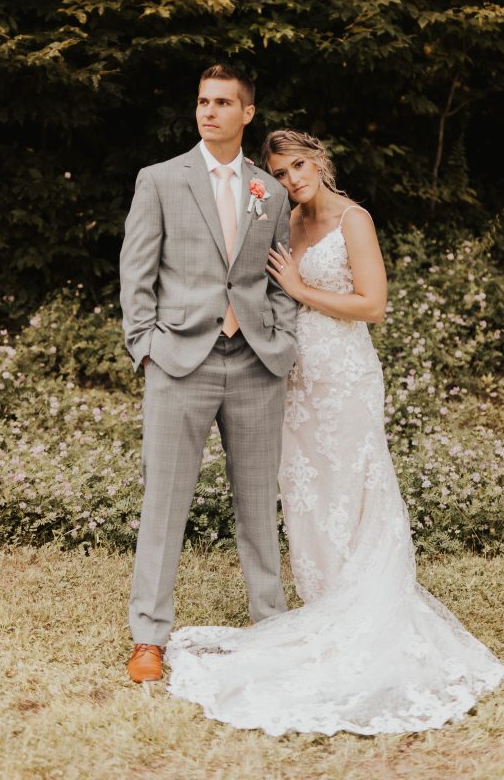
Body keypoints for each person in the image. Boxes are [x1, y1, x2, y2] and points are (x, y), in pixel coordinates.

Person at [165, 130, 504, 736]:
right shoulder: (283, 220)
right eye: (280, 171)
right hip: (293, 379)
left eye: (298, 165)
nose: (293, 178)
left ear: (319, 161)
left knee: (352, 488)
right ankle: (325, 609)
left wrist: (301, 288)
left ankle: (362, 613)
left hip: (345, 375)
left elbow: (372, 304)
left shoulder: (355, 219)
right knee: (304, 492)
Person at [119, 66, 297, 683]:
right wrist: (144, 347)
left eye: (223, 102)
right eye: (202, 101)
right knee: (164, 501)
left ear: (247, 113)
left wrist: (283, 342)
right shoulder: (161, 180)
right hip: (178, 361)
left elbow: (279, 279)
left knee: (257, 501)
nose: (209, 111)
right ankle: (148, 637)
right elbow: (136, 271)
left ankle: (269, 620)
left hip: (254, 363)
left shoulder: (268, 193)